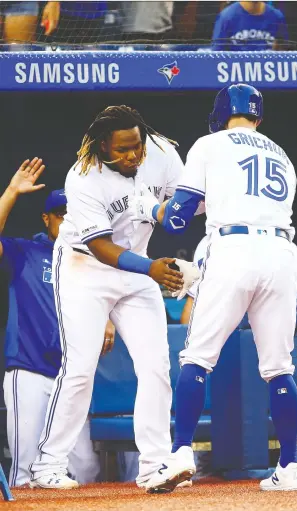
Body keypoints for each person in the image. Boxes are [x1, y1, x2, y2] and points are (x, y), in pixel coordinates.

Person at [130, 83, 297, 493]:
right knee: (279, 368)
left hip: (233, 248)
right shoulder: (281, 154)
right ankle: (290, 466)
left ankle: (180, 453)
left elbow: (176, 219)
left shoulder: (210, 143)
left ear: (221, 111)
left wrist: (149, 208)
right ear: (257, 115)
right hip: (281, 253)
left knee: (197, 358)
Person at [28, 105, 196, 490]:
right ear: (103, 146)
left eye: (135, 146)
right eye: (122, 149)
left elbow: (186, 201)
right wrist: (152, 268)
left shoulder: (161, 152)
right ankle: (48, 465)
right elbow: (101, 246)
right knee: (80, 368)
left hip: (136, 269)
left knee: (156, 366)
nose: (132, 155)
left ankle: (154, 465)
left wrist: (179, 209)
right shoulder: (83, 176)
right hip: (86, 268)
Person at [0, 159, 103, 486]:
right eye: (61, 215)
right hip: (28, 371)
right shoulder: (25, 251)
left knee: (85, 470)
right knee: (26, 474)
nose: (68, 221)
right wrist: (12, 192)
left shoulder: (91, 259)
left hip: (69, 377)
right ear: (47, 219)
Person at [182, 236, 297, 323]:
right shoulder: (210, 243)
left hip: (275, 335)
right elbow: (194, 304)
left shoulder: (287, 248)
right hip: (225, 336)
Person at [211, 1, 288, 51]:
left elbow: (283, 52)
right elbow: (216, 56)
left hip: (268, 72)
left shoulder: (277, 16)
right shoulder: (226, 17)